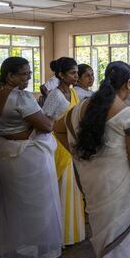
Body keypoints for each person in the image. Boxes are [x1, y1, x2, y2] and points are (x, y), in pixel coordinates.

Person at [54, 61, 130, 258]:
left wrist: (80, 153)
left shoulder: (80, 108)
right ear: (128, 84)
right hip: (121, 192)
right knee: (127, 244)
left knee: (106, 242)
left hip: (94, 188)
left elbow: (58, 128)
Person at [0, 57, 62, 258]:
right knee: (38, 205)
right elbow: (46, 126)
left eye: (29, 73)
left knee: (13, 204)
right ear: (10, 76)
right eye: (24, 74)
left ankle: (15, 245)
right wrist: (51, 118)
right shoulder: (21, 97)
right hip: (27, 158)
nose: (29, 77)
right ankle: (37, 247)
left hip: (6, 154)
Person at [42, 57, 86, 246]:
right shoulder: (55, 96)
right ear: (60, 75)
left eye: (77, 72)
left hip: (72, 143)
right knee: (64, 190)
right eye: (72, 73)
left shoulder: (72, 92)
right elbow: (44, 122)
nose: (76, 76)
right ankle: (60, 237)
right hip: (58, 145)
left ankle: (73, 234)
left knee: (74, 190)